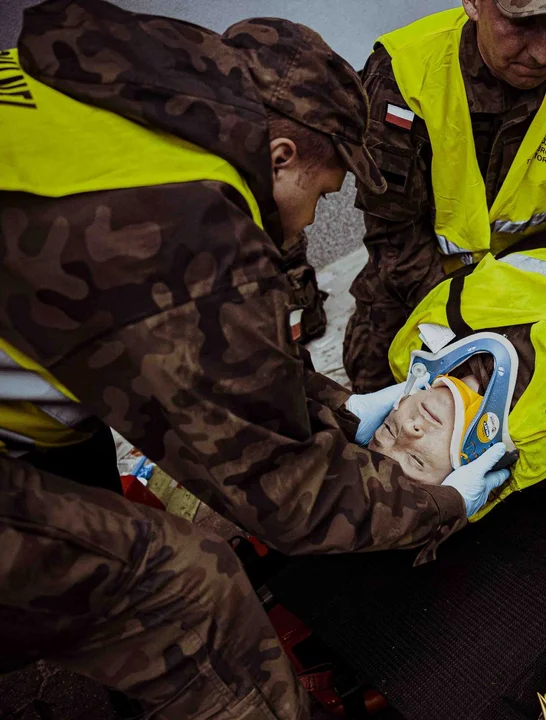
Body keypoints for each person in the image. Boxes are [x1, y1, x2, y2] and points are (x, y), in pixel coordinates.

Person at [1, 0, 506, 715]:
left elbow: (209, 363)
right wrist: (443, 503)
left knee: (83, 494)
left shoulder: (121, 93)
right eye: (322, 196)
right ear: (280, 158)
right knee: (184, 593)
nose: (309, 220)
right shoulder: (185, 240)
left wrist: (331, 407)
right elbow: (286, 493)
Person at [342, 0, 546, 393]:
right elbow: (396, 243)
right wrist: (471, 336)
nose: (542, 52)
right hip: (419, 291)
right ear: (473, 4)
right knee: (385, 412)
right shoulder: (404, 73)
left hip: (530, 278)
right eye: (522, 24)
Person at [369, 226, 546, 516]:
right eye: (417, 460)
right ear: (459, 480)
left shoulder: (418, 337)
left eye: (388, 429)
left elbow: (503, 265)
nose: (410, 430)